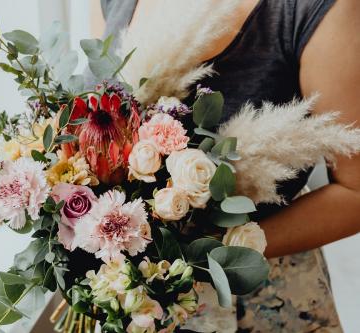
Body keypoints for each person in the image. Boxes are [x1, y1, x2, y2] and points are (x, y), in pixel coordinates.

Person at [93, 0, 360, 331]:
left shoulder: (315, 11)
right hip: (126, 295)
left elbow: (356, 192)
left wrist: (209, 255)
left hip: (257, 294)